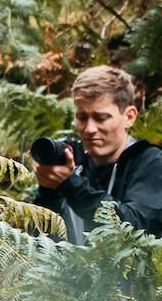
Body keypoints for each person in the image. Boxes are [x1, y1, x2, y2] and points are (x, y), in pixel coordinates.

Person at [31, 65, 162, 242]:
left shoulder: (150, 162)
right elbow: (46, 245)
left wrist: (72, 186)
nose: (89, 129)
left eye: (101, 118)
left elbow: (134, 229)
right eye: (82, 117)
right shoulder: (74, 162)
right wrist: (49, 190)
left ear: (129, 117)